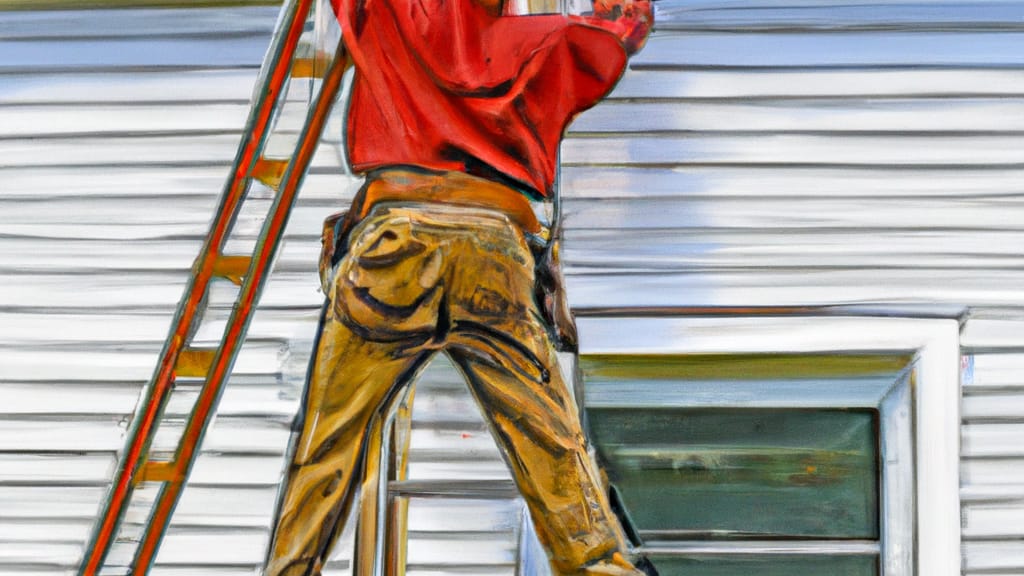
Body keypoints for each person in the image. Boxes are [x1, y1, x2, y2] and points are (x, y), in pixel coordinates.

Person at [264, 0, 653, 572]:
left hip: (391, 248)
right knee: (554, 456)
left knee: (328, 448)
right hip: (496, 254)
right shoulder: (545, 42)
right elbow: (622, 25)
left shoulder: (384, 12)